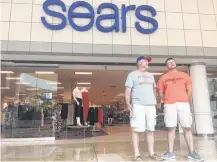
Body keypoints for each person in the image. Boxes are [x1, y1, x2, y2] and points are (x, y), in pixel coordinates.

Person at [157, 58, 204, 161]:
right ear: (167, 66)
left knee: (187, 127)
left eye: (172, 62)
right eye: (168, 63)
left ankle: (192, 152)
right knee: (171, 128)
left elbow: (189, 89)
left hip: (183, 104)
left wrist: (185, 99)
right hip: (169, 105)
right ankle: (170, 152)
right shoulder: (163, 78)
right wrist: (166, 99)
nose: (171, 63)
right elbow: (160, 92)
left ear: (175, 64)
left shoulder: (184, 75)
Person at [125, 56, 161, 161]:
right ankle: (137, 154)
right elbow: (128, 90)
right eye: (145, 61)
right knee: (136, 129)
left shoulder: (151, 75)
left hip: (150, 105)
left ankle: (152, 153)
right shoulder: (132, 75)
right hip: (138, 104)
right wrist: (128, 103)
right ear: (139, 63)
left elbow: (154, 89)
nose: (147, 63)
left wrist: (156, 101)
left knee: (150, 129)